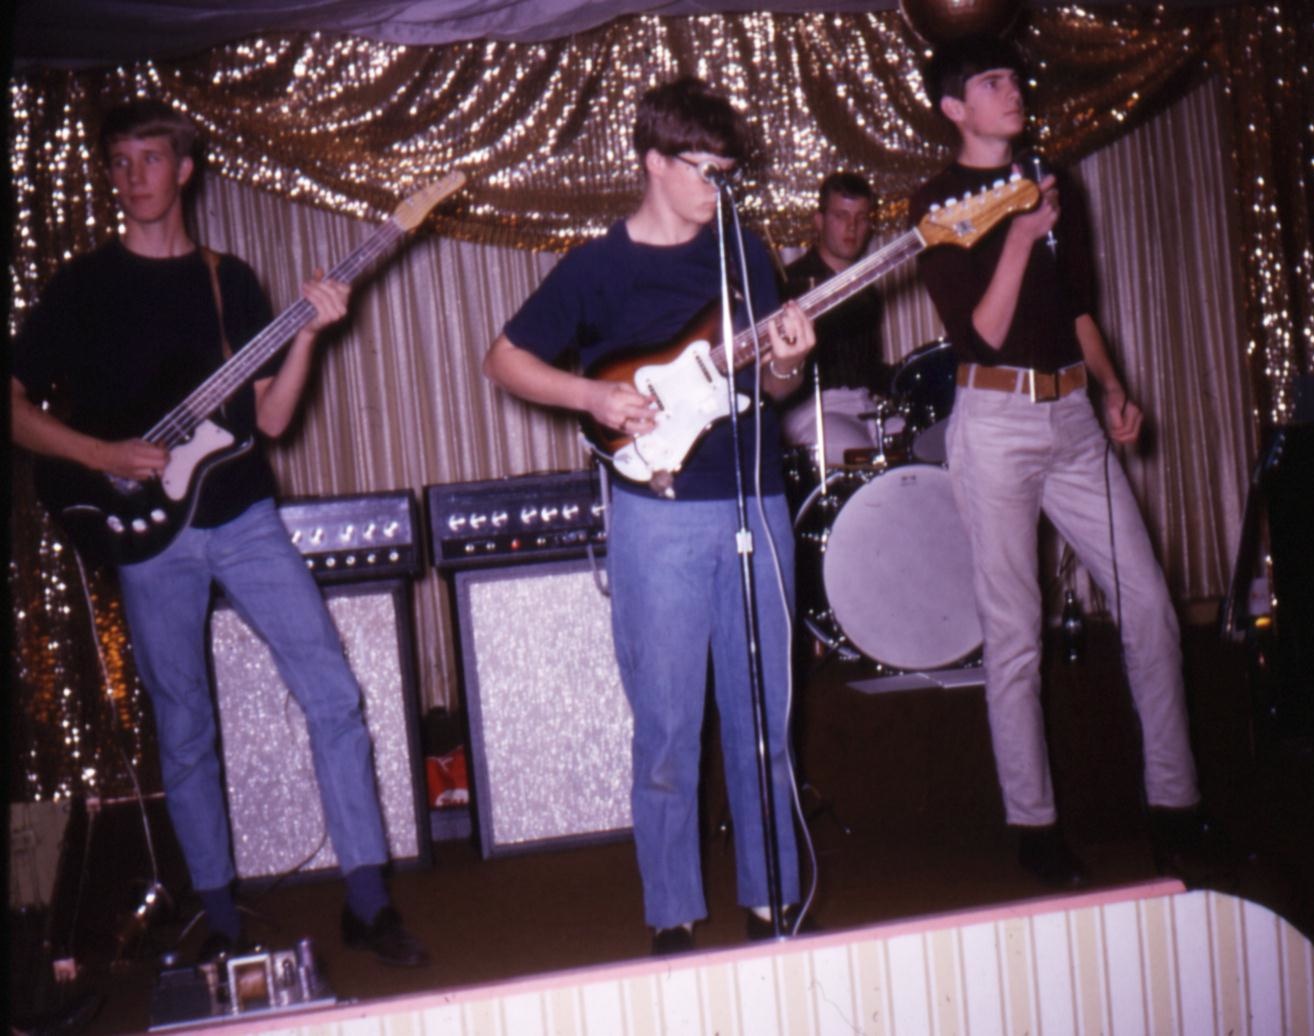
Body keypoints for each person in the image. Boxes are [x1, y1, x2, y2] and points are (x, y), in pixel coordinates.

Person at [10, 99, 428, 968]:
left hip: (242, 514)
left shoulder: (228, 280)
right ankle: (219, 918)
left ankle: (367, 899)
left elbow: (270, 419)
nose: (134, 177)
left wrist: (310, 335)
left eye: (150, 159)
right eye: (119, 161)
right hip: (146, 534)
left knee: (333, 693)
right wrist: (101, 453)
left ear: (185, 169)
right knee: (185, 725)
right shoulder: (82, 290)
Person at [483, 77, 815, 953]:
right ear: (653, 162)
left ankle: (773, 902)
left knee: (764, 722)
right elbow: (504, 359)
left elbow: (775, 385)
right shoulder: (599, 266)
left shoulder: (744, 254)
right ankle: (672, 913)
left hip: (755, 500)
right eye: (705, 168)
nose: (719, 186)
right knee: (667, 730)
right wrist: (592, 396)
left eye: (728, 171)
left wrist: (788, 364)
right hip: (657, 515)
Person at [908, 36, 1217, 885]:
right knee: (1015, 631)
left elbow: (1078, 307)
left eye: (1015, 77)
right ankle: (1035, 828)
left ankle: (1176, 806)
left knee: (1150, 607)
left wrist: (1113, 387)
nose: (1014, 90)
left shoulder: (1052, 179)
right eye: (993, 81)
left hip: (1075, 415)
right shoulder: (937, 204)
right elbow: (982, 334)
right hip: (995, 419)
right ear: (955, 108)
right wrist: (1017, 236)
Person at [779, 172, 894, 464]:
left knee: (917, 446)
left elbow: (868, 368)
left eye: (861, 217)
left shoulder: (867, 288)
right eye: (841, 216)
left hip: (865, 404)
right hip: (813, 409)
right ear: (819, 221)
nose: (852, 227)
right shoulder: (790, 285)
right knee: (865, 459)